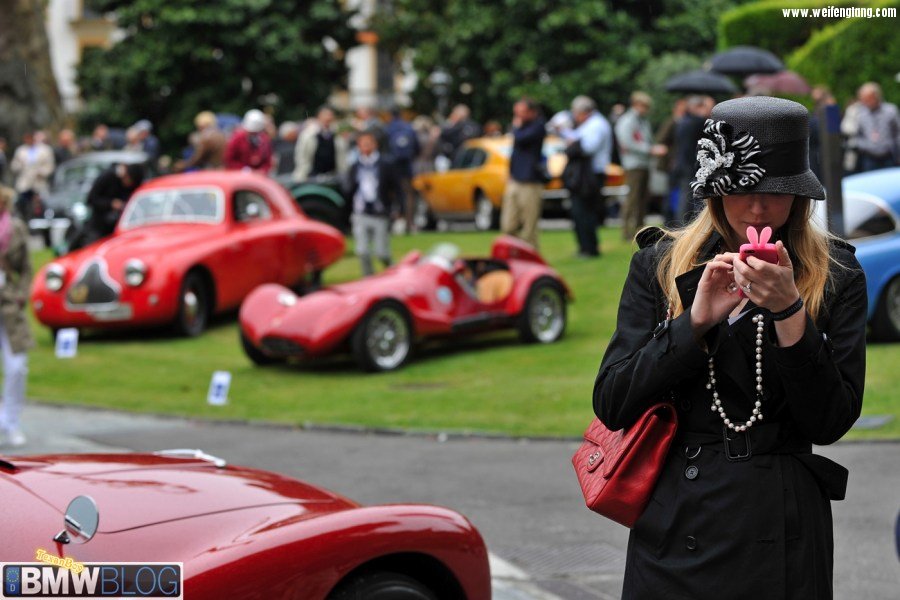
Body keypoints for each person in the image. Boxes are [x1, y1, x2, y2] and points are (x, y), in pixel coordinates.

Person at [593, 96, 866, 599]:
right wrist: (693, 324)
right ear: (716, 190)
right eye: (742, 189)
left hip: (781, 524)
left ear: (800, 195)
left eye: (777, 191)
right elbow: (612, 401)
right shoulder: (660, 264)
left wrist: (789, 313)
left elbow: (830, 422)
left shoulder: (837, 274)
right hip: (680, 524)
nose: (759, 207)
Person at [0, 186, 33, 448]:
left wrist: (21, 294)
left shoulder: (16, 228)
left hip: (10, 304)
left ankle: (11, 421)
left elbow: (27, 268)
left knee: (17, 366)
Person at [344, 131, 400, 276]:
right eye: (363, 144)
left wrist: (397, 208)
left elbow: (396, 188)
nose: (366, 147)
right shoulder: (355, 166)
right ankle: (369, 279)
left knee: (381, 252)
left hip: (379, 213)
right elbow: (349, 190)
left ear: (375, 145)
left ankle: (393, 270)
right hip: (361, 212)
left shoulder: (385, 164)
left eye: (369, 143)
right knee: (362, 251)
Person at [563, 95, 612, 258]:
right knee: (581, 211)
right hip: (587, 173)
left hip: (592, 174)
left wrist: (572, 143)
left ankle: (590, 248)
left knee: (584, 211)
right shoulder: (591, 124)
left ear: (584, 112)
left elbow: (588, 147)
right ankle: (585, 246)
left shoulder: (596, 124)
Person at [615, 92, 667, 240]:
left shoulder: (641, 120)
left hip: (643, 164)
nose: (646, 109)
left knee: (642, 199)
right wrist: (650, 149)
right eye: (644, 106)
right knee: (632, 199)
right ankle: (626, 231)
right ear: (636, 104)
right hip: (633, 165)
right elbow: (627, 143)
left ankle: (638, 231)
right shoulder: (627, 121)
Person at [501, 97, 546, 249]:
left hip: (530, 182)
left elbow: (521, 139)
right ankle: (516, 252)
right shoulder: (520, 127)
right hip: (515, 180)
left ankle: (532, 259)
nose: (517, 116)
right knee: (508, 225)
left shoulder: (538, 126)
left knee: (529, 227)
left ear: (532, 112)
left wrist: (515, 127)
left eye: (521, 112)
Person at [674, 95, 714, 224]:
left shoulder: (683, 121)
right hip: (690, 165)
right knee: (688, 198)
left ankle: (682, 223)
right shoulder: (696, 122)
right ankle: (683, 224)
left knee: (685, 196)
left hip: (683, 163)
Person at [84, 163, 145, 243]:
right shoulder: (108, 177)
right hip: (99, 226)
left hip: (120, 227)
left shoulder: (132, 186)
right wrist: (111, 204)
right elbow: (91, 200)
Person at [847, 82, 900, 172]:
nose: (866, 102)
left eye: (869, 99)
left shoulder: (890, 110)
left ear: (877, 96)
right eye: (864, 100)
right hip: (869, 157)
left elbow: (897, 132)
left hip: (888, 156)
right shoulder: (858, 113)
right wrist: (864, 145)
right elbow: (853, 134)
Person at [385, 108, 421, 233]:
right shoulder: (409, 128)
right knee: (408, 195)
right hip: (406, 166)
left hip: (391, 167)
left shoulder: (388, 129)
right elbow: (417, 148)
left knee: (391, 194)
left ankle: (391, 222)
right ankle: (409, 222)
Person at [293, 106, 348, 182]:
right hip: (311, 176)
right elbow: (301, 155)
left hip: (333, 175)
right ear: (319, 117)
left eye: (330, 115)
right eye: (325, 115)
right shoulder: (308, 134)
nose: (328, 118)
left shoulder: (337, 135)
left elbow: (342, 155)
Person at [10, 131, 55, 220]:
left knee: (41, 204)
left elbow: (50, 166)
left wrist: (41, 172)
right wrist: (20, 167)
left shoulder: (45, 150)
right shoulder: (21, 150)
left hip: (39, 182)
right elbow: (14, 165)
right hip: (25, 183)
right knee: (22, 203)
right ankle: (25, 219)